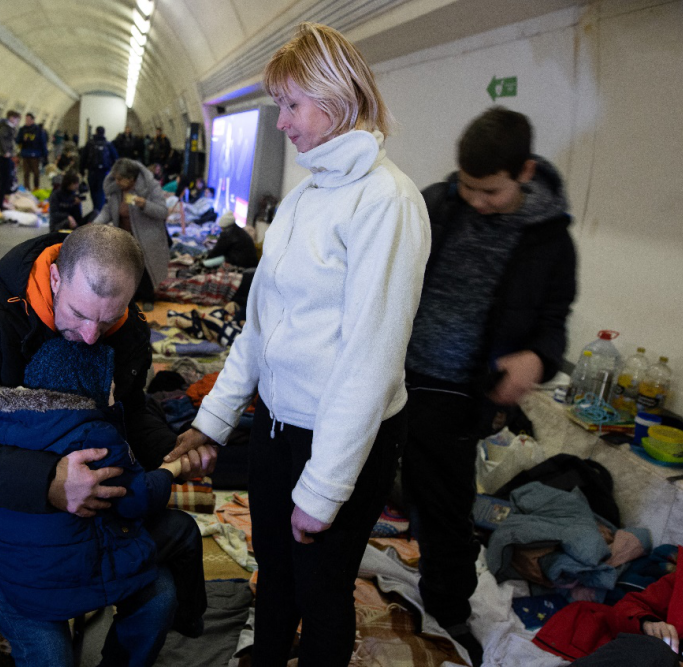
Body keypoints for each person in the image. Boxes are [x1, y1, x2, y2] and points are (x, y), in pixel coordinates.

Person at [164, 22, 430, 666]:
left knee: (322, 589)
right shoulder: (306, 195)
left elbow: (371, 359)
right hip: (280, 427)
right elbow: (259, 330)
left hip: (341, 438)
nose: (280, 123)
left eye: (290, 105)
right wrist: (212, 423)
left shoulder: (388, 202)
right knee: (274, 570)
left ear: (335, 99)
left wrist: (323, 489)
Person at [0, 225, 211, 663]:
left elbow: (130, 407)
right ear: (55, 278)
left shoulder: (126, 328)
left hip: (94, 521)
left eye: (108, 319)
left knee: (160, 599)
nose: (92, 334)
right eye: (79, 314)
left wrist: (172, 450)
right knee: (51, 652)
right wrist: (46, 481)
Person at [402, 107, 577, 664]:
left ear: (525, 171)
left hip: (459, 394)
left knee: (447, 509)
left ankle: (449, 610)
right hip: (390, 375)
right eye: (469, 186)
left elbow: (554, 322)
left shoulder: (551, 242)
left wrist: (537, 359)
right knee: (349, 484)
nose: (477, 199)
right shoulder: (435, 202)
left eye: (491, 191)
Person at [0, 336, 200, 666]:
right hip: (60, 571)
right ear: (88, 386)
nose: (113, 392)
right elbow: (133, 498)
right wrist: (172, 469)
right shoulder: (95, 437)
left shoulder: (6, 421)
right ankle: (191, 619)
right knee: (180, 536)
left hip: (7, 560)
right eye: (109, 384)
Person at [534, 545, 683, 666]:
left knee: (657, 652)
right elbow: (625, 608)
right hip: (653, 657)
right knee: (654, 650)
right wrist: (647, 622)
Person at [92, 158, 169, 312]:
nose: (117, 182)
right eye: (116, 179)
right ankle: (132, 296)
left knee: (145, 268)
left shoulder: (150, 187)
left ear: (131, 179)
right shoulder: (116, 191)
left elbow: (163, 211)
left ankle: (148, 297)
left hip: (147, 238)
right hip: (125, 236)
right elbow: (108, 210)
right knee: (127, 269)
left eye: (121, 179)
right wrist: (95, 225)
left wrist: (144, 204)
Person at [80, 126, 119, 212]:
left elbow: (83, 158)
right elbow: (115, 157)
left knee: (93, 191)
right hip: (104, 171)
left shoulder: (89, 144)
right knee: (101, 191)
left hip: (92, 171)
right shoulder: (108, 144)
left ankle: (95, 208)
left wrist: (81, 171)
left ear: (96, 132)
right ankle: (99, 209)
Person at [0, 110, 20, 210]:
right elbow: (1, 138)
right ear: (11, 118)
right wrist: (6, 152)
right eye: (16, 119)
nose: (17, 122)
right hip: (3, 157)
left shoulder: (6, 127)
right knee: (2, 182)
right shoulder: (5, 128)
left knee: (4, 181)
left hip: (4, 156)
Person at [16, 113, 48, 191]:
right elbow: (17, 140)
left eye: (29, 119)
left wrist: (45, 154)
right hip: (25, 154)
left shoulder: (38, 130)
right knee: (26, 173)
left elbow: (43, 142)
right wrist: (22, 139)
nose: (27, 121)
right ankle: (26, 188)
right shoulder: (22, 129)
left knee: (36, 173)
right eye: (26, 120)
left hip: (35, 155)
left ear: (33, 120)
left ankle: (36, 188)